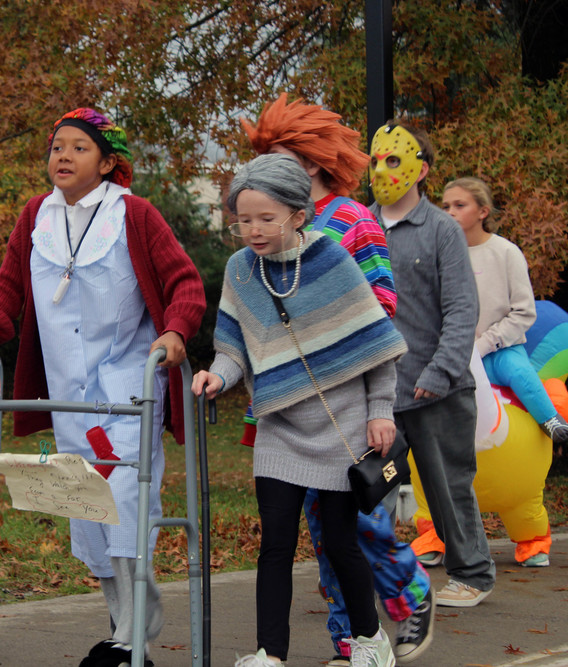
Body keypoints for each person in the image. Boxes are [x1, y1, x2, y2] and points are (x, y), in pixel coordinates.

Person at [0, 107, 205, 667]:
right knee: (86, 511)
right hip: (68, 396)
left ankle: (133, 637)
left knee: (122, 502)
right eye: (56, 147)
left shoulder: (135, 215)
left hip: (126, 392)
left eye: (78, 147)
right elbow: (6, 289)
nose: (63, 156)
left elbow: (184, 284)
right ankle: (121, 629)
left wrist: (174, 331)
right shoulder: (36, 217)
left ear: (107, 161)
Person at [193, 153, 408, 667]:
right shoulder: (240, 271)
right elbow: (234, 349)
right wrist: (217, 376)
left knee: (339, 543)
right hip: (280, 429)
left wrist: (380, 412)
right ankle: (271, 653)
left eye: (266, 218)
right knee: (275, 546)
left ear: (297, 212)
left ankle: (369, 640)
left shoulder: (333, 259)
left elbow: (375, 345)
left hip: (343, 428)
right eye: (244, 220)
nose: (253, 230)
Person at [241, 95, 433, 666]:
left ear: (313, 159)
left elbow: (382, 302)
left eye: (280, 159)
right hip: (284, 408)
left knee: (354, 526)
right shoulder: (268, 221)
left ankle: (410, 596)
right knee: (317, 534)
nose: (269, 174)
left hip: (344, 406)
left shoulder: (352, 217)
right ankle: (349, 643)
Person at [368, 120, 497, 608]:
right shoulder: (360, 227)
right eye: (376, 160)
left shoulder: (443, 230)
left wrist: (439, 372)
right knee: (366, 490)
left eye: (394, 160)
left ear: (421, 170)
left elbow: (463, 308)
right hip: (378, 392)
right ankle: (367, 576)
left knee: (448, 489)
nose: (382, 169)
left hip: (437, 390)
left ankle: (473, 574)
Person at [443, 176, 568, 447]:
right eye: (446, 206)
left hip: (503, 351)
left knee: (519, 372)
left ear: (483, 211)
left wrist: (484, 345)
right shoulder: (443, 257)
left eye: (459, 205)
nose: (450, 212)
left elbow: (524, 313)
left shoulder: (507, 252)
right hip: (456, 354)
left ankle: (550, 420)